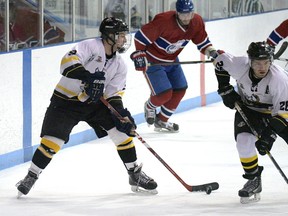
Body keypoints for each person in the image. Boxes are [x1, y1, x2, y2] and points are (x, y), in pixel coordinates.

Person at [16, 17, 157, 197]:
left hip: (95, 103)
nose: (123, 39)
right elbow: (67, 62)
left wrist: (121, 114)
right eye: (120, 35)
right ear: (109, 36)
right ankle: (31, 175)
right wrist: (88, 77)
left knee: (122, 133)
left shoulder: (119, 64)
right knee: (52, 142)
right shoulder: (90, 46)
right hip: (65, 101)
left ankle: (134, 174)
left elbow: (114, 95)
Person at [213, 41, 288, 203]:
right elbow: (219, 61)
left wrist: (269, 136)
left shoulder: (279, 80)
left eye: (266, 63)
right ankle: (253, 179)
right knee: (244, 141)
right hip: (249, 110)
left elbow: (283, 115)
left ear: (271, 62)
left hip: (277, 114)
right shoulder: (239, 65)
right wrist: (225, 89)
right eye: (257, 63)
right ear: (250, 61)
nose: (262, 67)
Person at [130, 0, 218, 133]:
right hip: (153, 61)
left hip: (172, 60)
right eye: (183, 14)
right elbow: (140, 38)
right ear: (177, 13)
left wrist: (212, 52)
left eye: (190, 14)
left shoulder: (197, 21)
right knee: (164, 94)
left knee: (180, 89)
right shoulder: (163, 21)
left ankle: (162, 121)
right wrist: (139, 54)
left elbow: (203, 43)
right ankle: (150, 106)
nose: (187, 18)